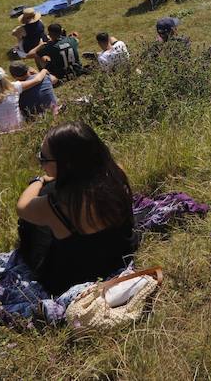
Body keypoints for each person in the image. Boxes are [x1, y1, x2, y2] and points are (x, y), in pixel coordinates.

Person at [15, 121, 137, 296]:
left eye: (43, 158)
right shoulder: (116, 174)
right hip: (119, 255)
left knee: (30, 225)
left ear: (67, 164)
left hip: (75, 275)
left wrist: (38, 181)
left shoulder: (55, 204)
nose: (41, 162)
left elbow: (22, 207)